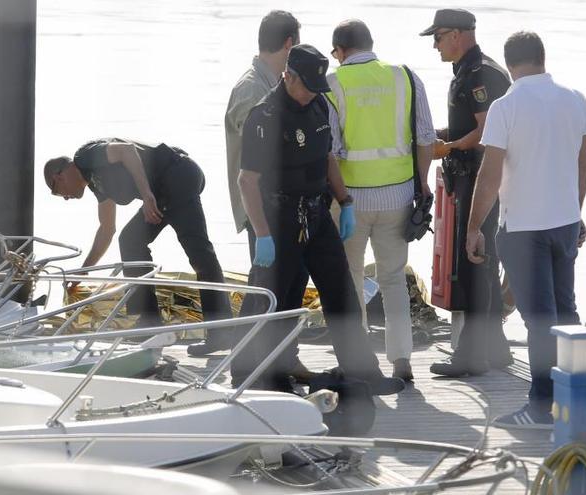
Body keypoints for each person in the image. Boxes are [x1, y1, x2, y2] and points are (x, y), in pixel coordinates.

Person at [230, 43, 405, 396]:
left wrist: (346, 202)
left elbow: (328, 159)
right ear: (288, 76)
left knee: (341, 294)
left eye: (317, 87)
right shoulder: (264, 117)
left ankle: (363, 373)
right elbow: (247, 181)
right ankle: (256, 374)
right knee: (276, 300)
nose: (312, 94)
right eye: (307, 86)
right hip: (278, 219)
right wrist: (262, 234)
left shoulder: (320, 105)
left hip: (317, 212)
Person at [467, 31, 586, 428]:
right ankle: (574, 399)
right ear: (542, 57)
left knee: (539, 319)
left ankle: (541, 406)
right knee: (565, 310)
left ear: (508, 65)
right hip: (565, 222)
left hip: (523, 228)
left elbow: (490, 175)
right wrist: (575, 211)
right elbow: (582, 166)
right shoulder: (576, 99)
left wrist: (473, 227)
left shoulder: (507, 106)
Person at [187, 10, 306, 357]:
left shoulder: (274, 83)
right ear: (289, 44)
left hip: (279, 202)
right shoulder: (251, 88)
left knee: (265, 281)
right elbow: (261, 149)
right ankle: (255, 355)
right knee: (267, 280)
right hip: (262, 204)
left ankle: (245, 345)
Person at [326, 19, 436, 382]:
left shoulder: (333, 84)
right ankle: (402, 361)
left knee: (351, 280)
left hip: (349, 204)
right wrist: (422, 185)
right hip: (399, 197)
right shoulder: (404, 76)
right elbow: (425, 138)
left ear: (340, 51)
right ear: (370, 44)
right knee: (392, 279)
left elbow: (331, 149)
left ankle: (357, 363)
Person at [43, 138, 233, 332]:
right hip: (162, 193)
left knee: (198, 251)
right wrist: (83, 272)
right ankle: (148, 323)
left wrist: (147, 195)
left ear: (59, 178)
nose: (66, 198)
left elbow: (127, 151)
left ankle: (221, 330)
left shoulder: (85, 156)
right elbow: (107, 229)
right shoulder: (95, 183)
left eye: (59, 193)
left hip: (178, 176)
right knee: (130, 240)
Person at [419, 8, 512, 377]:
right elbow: (469, 126)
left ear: (457, 34)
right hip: (471, 178)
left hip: (481, 181)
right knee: (485, 265)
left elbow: (487, 132)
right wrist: (440, 136)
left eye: (438, 38)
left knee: (473, 265)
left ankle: (471, 357)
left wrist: (451, 146)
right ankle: (496, 349)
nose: (436, 46)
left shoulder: (481, 73)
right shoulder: (468, 71)